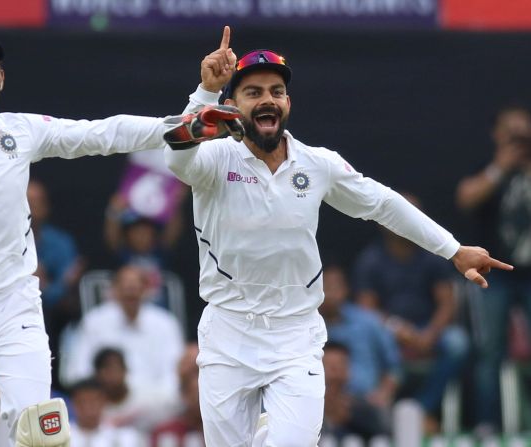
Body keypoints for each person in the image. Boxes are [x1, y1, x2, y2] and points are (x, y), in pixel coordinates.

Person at [0, 28, 235, 447]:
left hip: (12, 302)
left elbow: (103, 133)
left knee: (41, 429)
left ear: (2, 76)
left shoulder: (20, 132)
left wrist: (184, 122)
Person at [162, 34, 514, 445]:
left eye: (277, 92)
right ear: (232, 105)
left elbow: (383, 203)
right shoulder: (215, 159)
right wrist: (204, 90)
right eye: (253, 92)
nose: (267, 100)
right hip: (227, 330)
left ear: (288, 104)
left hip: (295, 335)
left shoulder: (317, 164)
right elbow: (175, 155)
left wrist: (453, 249)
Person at [352, 193, 470, 433]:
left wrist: (430, 333)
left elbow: (447, 303)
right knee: (368, 340)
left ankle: (421, 408)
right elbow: (367, 309)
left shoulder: (433, 256)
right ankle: (378, 416)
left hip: (429, 330)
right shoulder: (371, 260)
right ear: (383, 220)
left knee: (458, 343)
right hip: (389, 333)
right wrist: (398, 330)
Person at [455, 105, 531, 434]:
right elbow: (465, 198)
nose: (517, 139)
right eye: (510, 133)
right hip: (494, 274)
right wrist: (501, 167)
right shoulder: (488, 169)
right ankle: (488, 423)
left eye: (522, 133)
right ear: (497, 135)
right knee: (489, 351)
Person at [61, 265, 184, 411]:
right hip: (107, 405)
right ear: (114, 290)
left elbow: (174, 375)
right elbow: (78, 371)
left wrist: (147, 402)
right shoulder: (94, 322)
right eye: (125, 288)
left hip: (153, 407)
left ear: (146, 290)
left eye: (136, 287)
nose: (131, 292)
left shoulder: (166, 323)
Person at [319, 264, 401, 418]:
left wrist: (383, 394)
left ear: (345, 289)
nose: (329, 292)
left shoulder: (369, 322)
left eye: (335, 286)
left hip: (366, 403)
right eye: (324, 286)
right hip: (319, 404)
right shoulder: (302, 327)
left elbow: (394, 367)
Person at [26, 179, 85, 391]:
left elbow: (63, 292)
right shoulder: (3, 242)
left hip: (55, 319)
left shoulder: (61, 242)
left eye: (38, 202)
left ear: (47, 206)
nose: (32, 208)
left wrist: (41, 285)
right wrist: (45, 284)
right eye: (27, 202)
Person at [321, 342, 389, 441]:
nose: (334, 373)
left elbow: (382, 438)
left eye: (339, 365)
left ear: (348, 370)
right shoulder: (303, 411)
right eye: (328, 366)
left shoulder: (364, 410)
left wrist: (349, 418)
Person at [68, 377, 146, 447]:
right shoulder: (62, 436)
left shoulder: (123, 437)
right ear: (73, 404)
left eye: (93, 402)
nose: (88, 408)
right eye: (82, 402)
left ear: (103, 402)